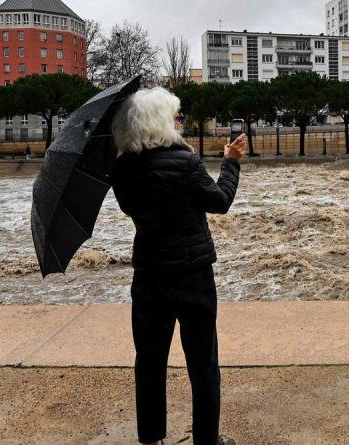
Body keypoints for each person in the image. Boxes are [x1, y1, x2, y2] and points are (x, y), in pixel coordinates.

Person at [111, 87, 246, 445]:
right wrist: (231, 162)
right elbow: (219, 201)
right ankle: (206, 440)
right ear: (160, 123)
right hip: (192, 275)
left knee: (150, 360)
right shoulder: (186, 163)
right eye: (175, 117)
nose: (179, 123)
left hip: (149, 275)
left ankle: (152, 439)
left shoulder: (121, 169)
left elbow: (134, 208)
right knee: (203, 364)